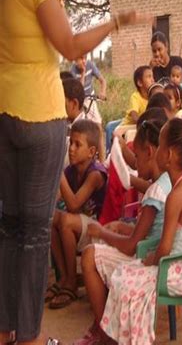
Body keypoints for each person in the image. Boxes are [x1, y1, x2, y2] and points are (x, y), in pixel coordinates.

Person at [0, 0, 147, 344]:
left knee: (7, 228)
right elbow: (69, 46)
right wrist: (116, 22)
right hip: (39, 116)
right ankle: (27, 337)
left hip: (2, 113)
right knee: (33, 233)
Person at [100, 118, 182, 345]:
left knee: (128, 283)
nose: (156, 149)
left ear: (168, 155)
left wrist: (149, 261)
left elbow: (165, 248)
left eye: (159, 144)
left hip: (180, 271)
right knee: (124, 276)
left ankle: (135, 340)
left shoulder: (175, 196)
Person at [75, 115, 171, 345]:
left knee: (89, 255)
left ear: (149, 151)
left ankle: (104, 332)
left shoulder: (155, 192)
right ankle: (106, 325)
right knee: (103, 246)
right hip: (149, 251)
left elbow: (131, 245)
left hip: (146, 260)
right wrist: (120, 226)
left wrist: (102, 232)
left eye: (136, 158)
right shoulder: (167, 182)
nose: (136, 166)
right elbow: (146, 231)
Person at [48, 120, 107, 309]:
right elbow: (56, 199)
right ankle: (65, 278)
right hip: (81, 227)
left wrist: (57, 173)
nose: (71, 149)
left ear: (91, 152)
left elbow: (73, 205)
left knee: (65, 219)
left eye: (77, 144)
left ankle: (72, 282)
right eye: (70, 143)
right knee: (49, 218)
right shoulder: (72, 170)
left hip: (100, 231)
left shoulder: (96, 174)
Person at [150, 31, 182, 100]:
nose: (157, 54)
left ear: (166, 47)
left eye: (159, 49)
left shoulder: (177, 62)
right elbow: (147, 93)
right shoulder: (153, 69)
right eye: (154, 51)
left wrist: (179, 99)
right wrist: (150, 69)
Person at [71, 55, 107, 124]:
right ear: (76, 60)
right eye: (81, 59)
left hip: (89, 97)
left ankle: (99, 134)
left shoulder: (90, 65)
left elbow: (103, 81)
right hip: (78, 99)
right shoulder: (73, 70)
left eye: (85, 58)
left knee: (97, 121)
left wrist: (103, 92)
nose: (84, 61)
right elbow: (80, 89)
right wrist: (83, 72)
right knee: (77, 122)